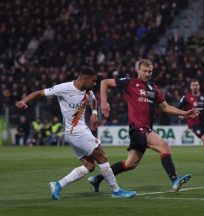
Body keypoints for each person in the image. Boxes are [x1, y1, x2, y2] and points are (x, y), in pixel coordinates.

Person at [15, 67, 136, 200]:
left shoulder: (87, 91)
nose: (94, 84)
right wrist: (23, 101)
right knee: (102, 156)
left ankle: (58, 185)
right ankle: (116, 190)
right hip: (77, 132)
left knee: (89, 166)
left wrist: (94, 114)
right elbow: (39, 93)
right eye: (93, 81)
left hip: (75, 132)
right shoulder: (64, 88)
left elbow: (94, 100)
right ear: (85, 78)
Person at [88, 59, 198, 192]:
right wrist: (103, 103)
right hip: (138, 128)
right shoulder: (130, 82)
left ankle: (97, 179)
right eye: (144, 71)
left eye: (150, 71)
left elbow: (166, 107)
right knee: (163, 146)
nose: (147, 74)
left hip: (146, 128)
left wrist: (185, 113)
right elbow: (104, 82)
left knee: (130, 164)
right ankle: (175, 180)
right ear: (138, 71)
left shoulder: (154, 88)